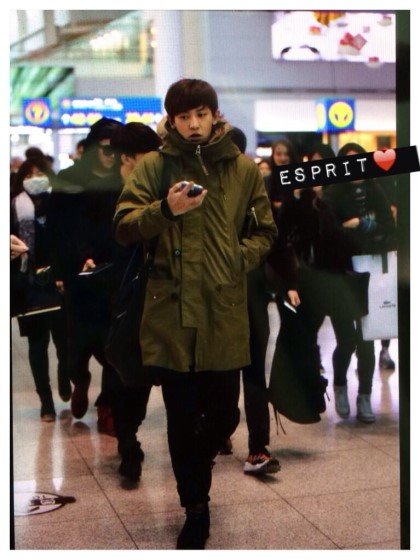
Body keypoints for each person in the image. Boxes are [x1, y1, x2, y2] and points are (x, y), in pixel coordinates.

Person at [113, 78, 277, 550]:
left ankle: (192, 462)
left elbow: (265, 231)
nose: (193, 124)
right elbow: (123, 225)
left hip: (223, 310)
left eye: (200, 114)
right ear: (172, 121)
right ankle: (195, 509)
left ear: (215, 114)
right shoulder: (155, 166)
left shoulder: (242, 169)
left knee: (225, 414)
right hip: (170, 314)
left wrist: (237, 258)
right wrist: (165, 209)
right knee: (182, 419)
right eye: (183, 117)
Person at [47, 117, 125, 434]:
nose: (110, 156)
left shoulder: (124, 180)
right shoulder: (70, 180)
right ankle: (79, 379)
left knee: (114, 346)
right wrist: (65, 266)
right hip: (77, 275)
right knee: (77, 345)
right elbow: (56, 229)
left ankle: (108, 405)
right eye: (105, 149)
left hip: (114, 273)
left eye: (115, 150)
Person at [220, 127, 280, 475]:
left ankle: (258, 447)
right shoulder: (203, 187)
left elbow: (272, 236)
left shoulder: (254, 186)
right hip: (222, 293)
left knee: (252, 371)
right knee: (226, 373)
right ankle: (223, 433)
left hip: (251, 290)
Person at [321, 143, 396, 423]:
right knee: (346, 340)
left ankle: (364, 396)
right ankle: (340, 385)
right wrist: (350, 230)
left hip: (369, 274)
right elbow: (328, 235)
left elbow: (390, 229)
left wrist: (360, 225)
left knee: (366, 341)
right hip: (340, 275)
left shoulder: (376, 190)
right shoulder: (331, 195)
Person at [11, 158, 70, 421]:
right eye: (29, 175)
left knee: (64, 341)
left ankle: (65, 376)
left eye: (39, 174)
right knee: (38, 344)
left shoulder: (58, 203)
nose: (35, 179)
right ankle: (46, 402)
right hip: (28, 284)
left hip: (58, 281)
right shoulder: (12, 207)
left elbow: (66, 240)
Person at [266, 138, 299, 211]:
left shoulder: (299, 179)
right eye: (278, 154)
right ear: (273, 156)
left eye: (286, 154)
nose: (283, 158)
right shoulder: (266, 180)